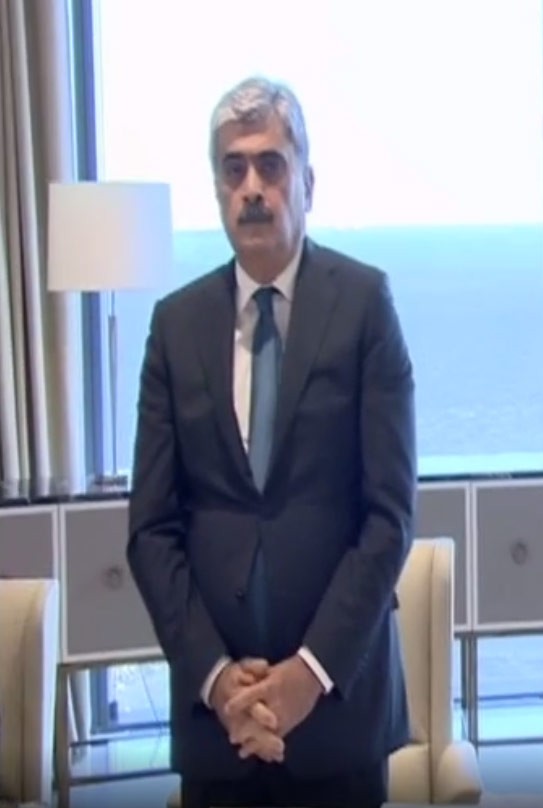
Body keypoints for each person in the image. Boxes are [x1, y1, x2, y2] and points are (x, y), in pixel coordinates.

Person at [126, 76, 416, 808]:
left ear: (307, 182)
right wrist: (218, 680)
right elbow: (152, 529)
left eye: (270, 165)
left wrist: (307, 675)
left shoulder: (365, 306)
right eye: (234, 169)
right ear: (217, 189)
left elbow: (388, 517)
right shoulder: (174, 326)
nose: (252, 187)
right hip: (216, 723)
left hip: (338, 716)